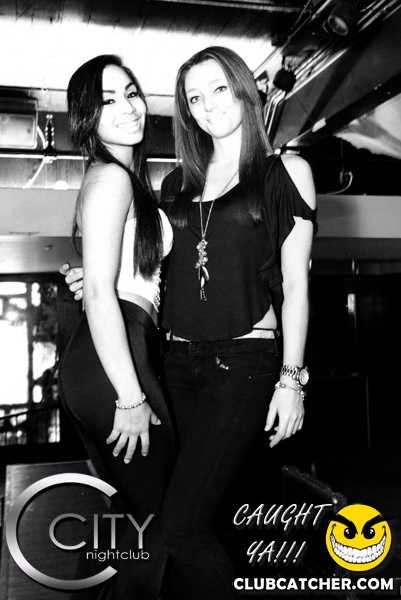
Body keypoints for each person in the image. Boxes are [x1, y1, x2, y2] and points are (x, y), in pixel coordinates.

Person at [62, 46, 317, 599]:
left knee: (180, 524)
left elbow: (296, 285)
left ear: (244, 90)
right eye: (194, 98)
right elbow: (150, 266)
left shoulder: (285, 172)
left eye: (219, 89)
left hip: (244, 363)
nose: (208, 106)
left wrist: (292, 379)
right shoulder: (175, 184)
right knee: (156, 517)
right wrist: (98, 281)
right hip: (171, 363)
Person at [58, 54, 175, 599]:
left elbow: (110, 279)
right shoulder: (110, 177)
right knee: (161, 521)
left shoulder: (123, 180)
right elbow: (103, 293)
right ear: (88, 117)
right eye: (107, 100)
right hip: (116, 358)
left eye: (131, 92)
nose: (128, 107)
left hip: (116, 348)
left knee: (134, 522)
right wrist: (131, 397)